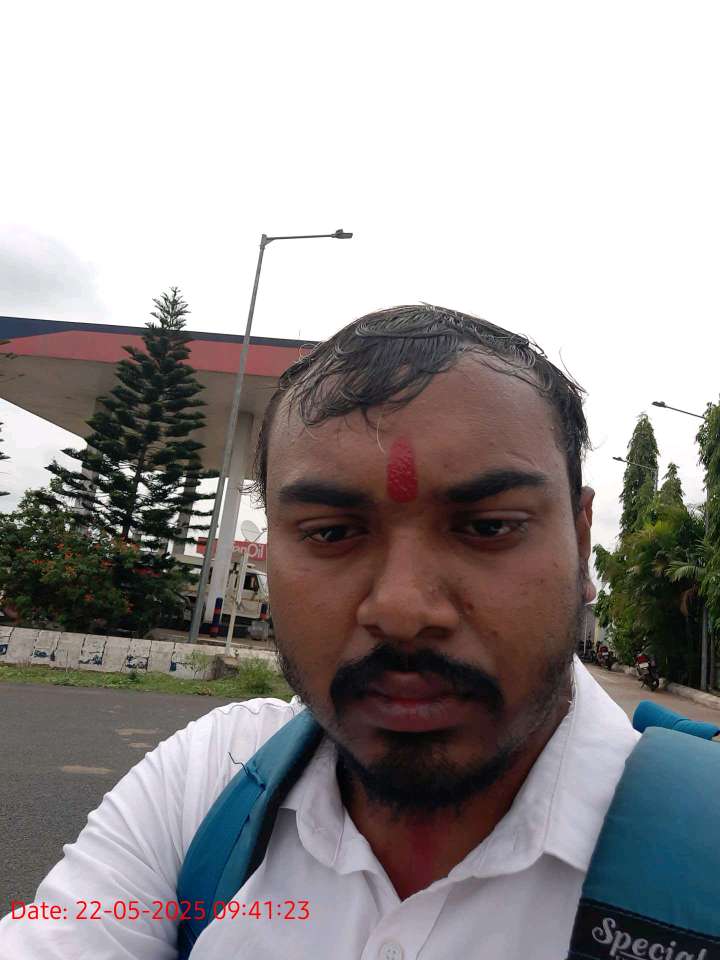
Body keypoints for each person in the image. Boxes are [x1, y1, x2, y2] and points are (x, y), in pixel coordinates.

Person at [0, 305, 640, 959]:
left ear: (581, 540)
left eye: (489, 526)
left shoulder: (693, 849)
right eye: (331, 533)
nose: (401, 610)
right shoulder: (211, 782)